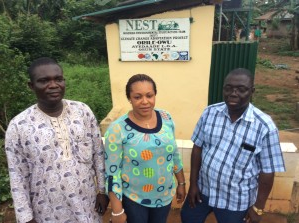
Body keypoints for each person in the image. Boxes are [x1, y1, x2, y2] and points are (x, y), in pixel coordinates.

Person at [5, 57, 109, 223]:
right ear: (31, 86)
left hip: (88, 206)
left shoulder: (82, 112)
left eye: (58, 79)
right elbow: (17, 175)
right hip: (46, 212)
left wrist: (102, 191)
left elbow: (98, 153)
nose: (53, 85)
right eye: (44, 81)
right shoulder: (18, 126)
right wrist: (26, 218)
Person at [181, 68, 285, 223]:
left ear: (252, 91)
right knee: (188, 218)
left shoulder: (265, 127)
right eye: (228, 88)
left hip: (235, 201)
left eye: (241, 89)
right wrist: (193, 184)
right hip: (203, 190)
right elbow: (198, 148)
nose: (233, 93)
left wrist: (258, 207)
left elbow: (268, 171)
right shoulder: (210, 113)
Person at [104, 74, 186, 223]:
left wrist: (181, 183)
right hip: (134, 198)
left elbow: (173, 153)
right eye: (137, 97)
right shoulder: (117, 129)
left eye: (150, 95)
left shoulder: (166, 117)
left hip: (165, 195)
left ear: (155, 95)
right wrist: (117, 210)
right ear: (129, 98)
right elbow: (112, 172)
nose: (145, 102)